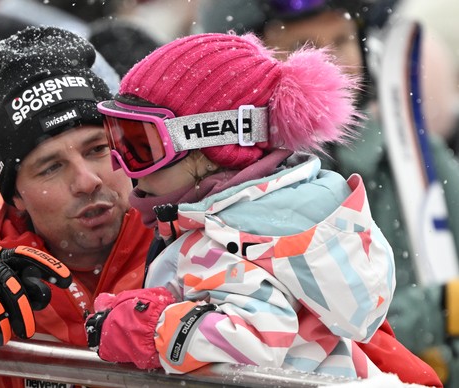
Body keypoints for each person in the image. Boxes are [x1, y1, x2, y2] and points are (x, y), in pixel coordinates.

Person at [84, 32, 441, 386]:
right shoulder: (276, 223)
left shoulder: (228, 242)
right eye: (115, 138)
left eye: (140, 145)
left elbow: (254, 338)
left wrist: (149, 327)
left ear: (211, 144)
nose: (121, 165)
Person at [198, 1, 459, 385]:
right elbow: (305, 328)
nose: (332, 63)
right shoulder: (230, 187)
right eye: (306, 46)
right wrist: (430, 309)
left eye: (342, 40)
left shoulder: (417, 158)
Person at [0, 25, 154, 387]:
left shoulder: (195, 234)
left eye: (97, 149)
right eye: (51, 167)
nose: (87, 181)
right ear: (14, 196)